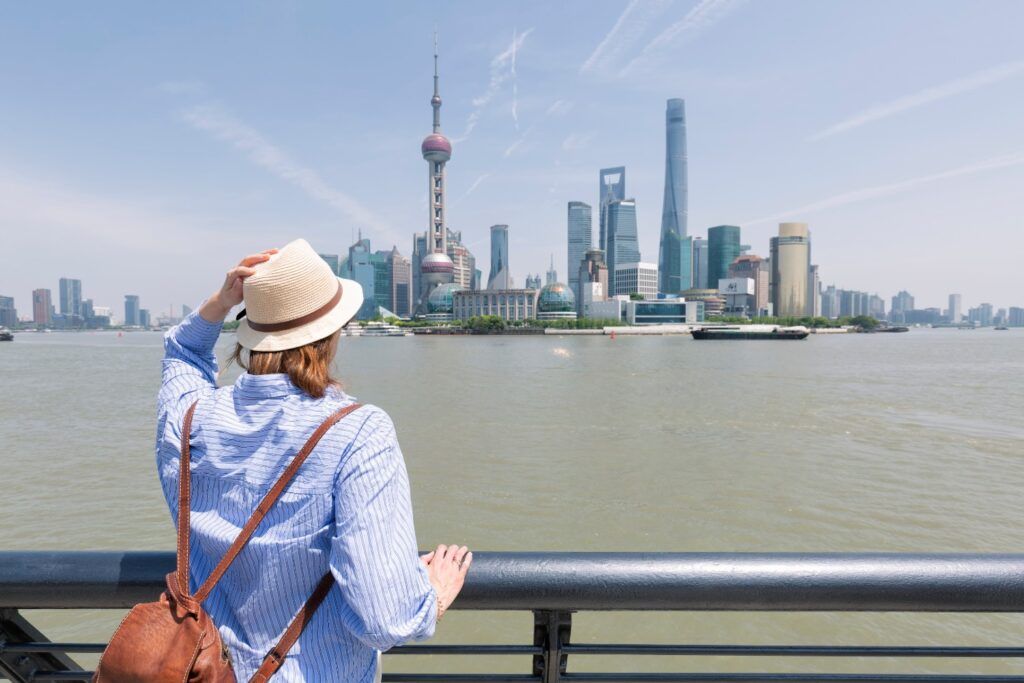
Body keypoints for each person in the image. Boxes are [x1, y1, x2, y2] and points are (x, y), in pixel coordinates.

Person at [156, 238, 471, 681]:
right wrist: (432, 598)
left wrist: (219, 303)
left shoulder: (190, 420)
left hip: (202, 669)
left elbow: (183, 356)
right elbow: (385, 617)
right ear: (332, 333)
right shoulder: (359, 432)